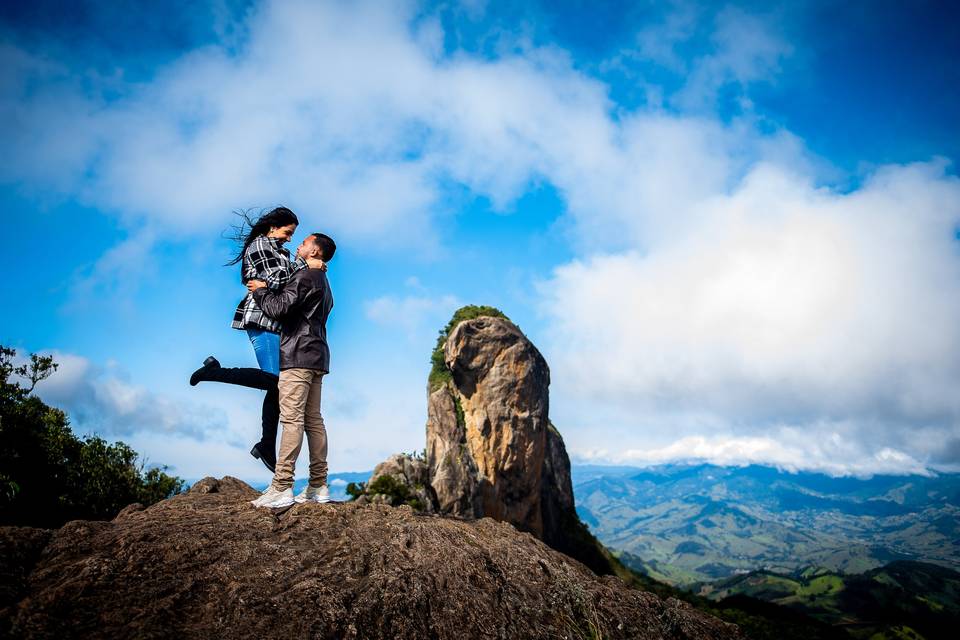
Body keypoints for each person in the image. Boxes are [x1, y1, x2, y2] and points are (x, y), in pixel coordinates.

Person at [189, 207, 323, 473]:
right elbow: (276, 280)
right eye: (287, 233)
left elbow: (286, 285)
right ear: (273, 227)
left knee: (275, 386)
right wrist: (307, 266)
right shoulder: (260, 245)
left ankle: (265, 445)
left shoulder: (281, 251)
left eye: (293, 235)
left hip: (277, 324)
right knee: (276, 382)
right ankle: (213, 372)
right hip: (261, 320)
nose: (289, 239)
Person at [248, 232, 336, 508]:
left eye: (304, 243)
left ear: (315, 252)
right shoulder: (324, 281)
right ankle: (318, 486)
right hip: (318, 356)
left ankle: (282, 486)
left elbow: (278, 307)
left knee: (292, 420)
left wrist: (260, 289)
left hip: (297, 356)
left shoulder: (306, 277)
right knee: (314, 420)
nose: (298, 245)